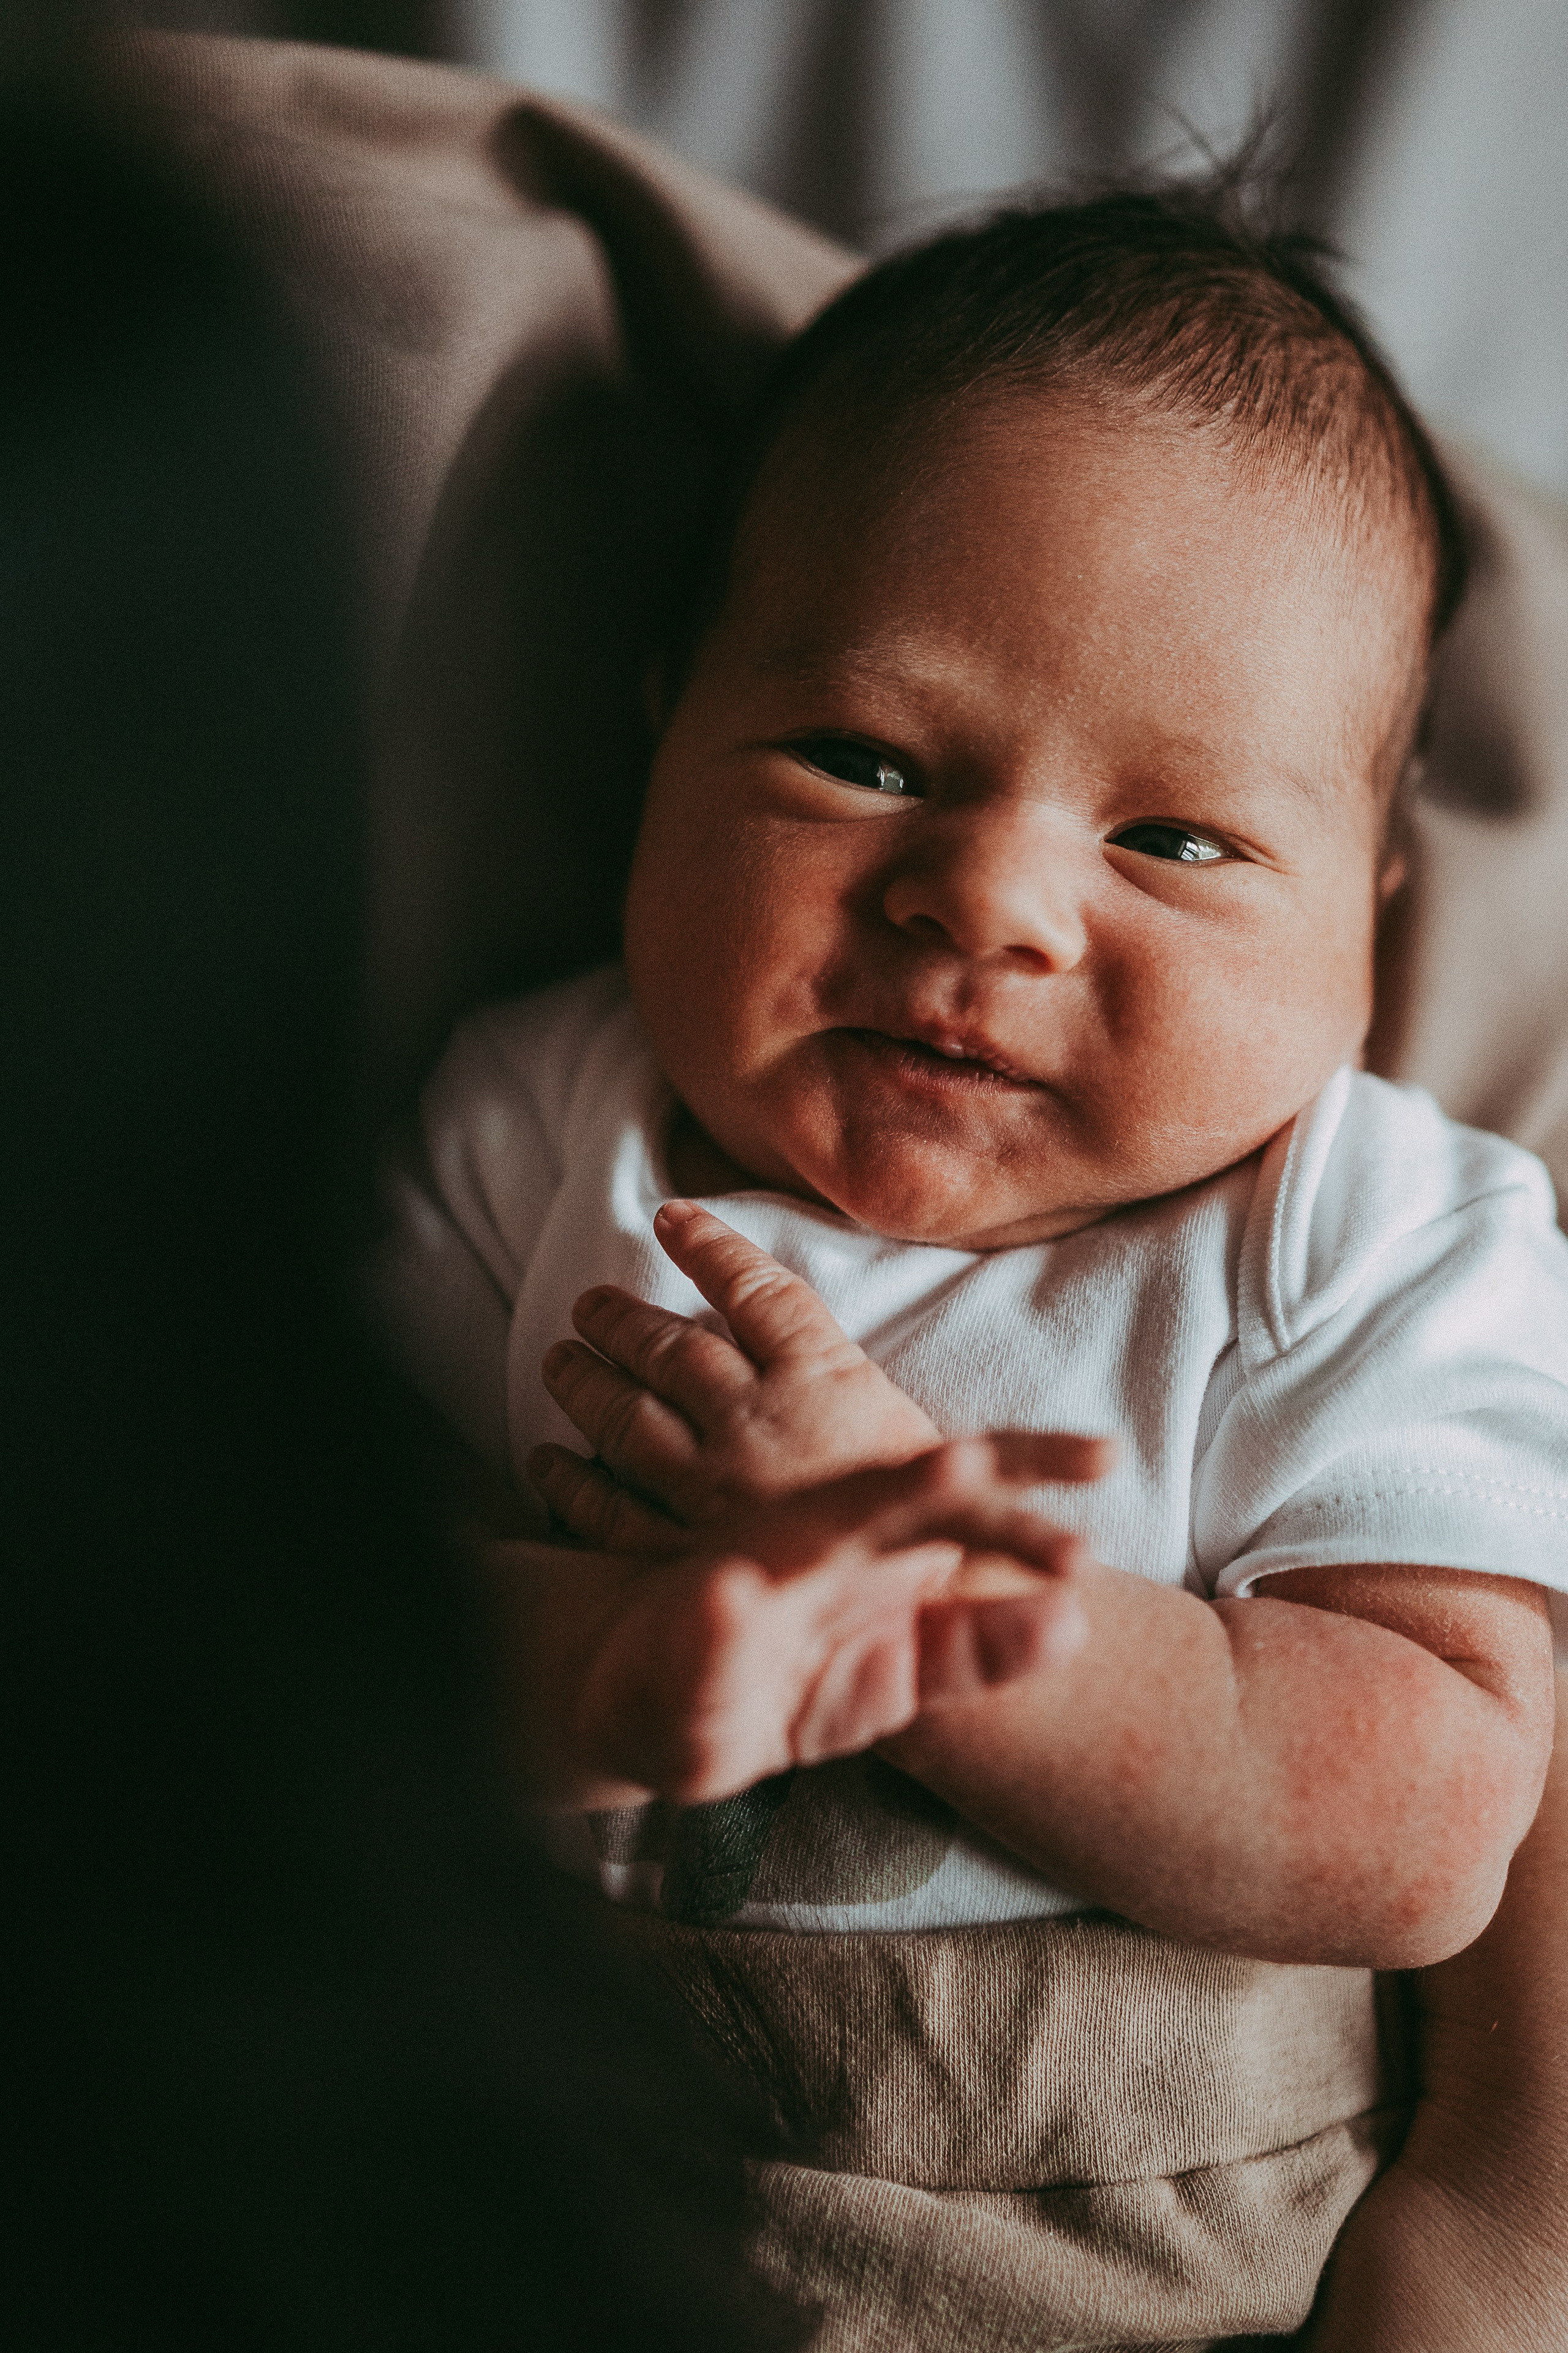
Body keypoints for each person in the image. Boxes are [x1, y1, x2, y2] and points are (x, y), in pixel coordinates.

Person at [372, 183, 1568, 2349]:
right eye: (864, 757)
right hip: (549, 2182)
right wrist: (614, 1663)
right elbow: (324, 1628)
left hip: (1119, 2255)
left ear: (1367, 916)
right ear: (662, 735)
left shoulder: (1358, 1230)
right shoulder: (550, 1117)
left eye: (1177, 840)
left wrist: (933, 1611)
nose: (990, 900)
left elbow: (1435, 1809)